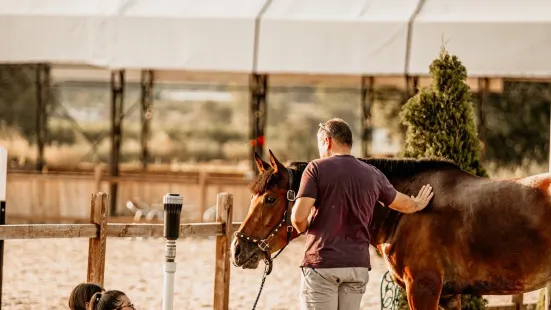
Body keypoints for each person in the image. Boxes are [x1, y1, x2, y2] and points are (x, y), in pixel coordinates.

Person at [290, 118, 434, 310]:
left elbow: (298, 217)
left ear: (327, 141)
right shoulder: (373, 173)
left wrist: (305, 228)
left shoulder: (316, 168)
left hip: (323, 262)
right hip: (357, 267)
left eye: (320, 145)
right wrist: (418, 203)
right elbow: (403, 204)